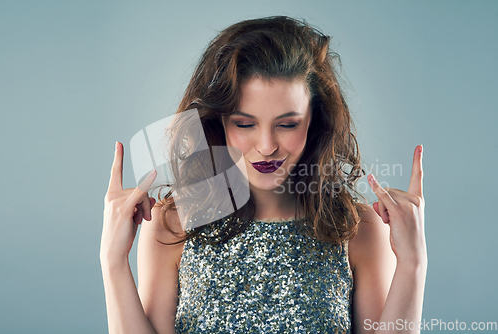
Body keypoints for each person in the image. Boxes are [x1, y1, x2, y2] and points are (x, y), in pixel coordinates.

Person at [100, 16, 427, 333]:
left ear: (315, 120)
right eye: (245, 124)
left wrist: (413, 264)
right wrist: (113, 263)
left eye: (287, 124)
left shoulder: (357, 229)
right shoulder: (172, 223)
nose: (267, 146)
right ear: (219, 122)